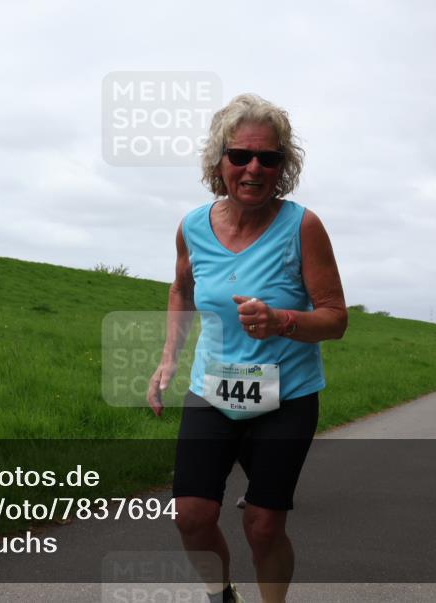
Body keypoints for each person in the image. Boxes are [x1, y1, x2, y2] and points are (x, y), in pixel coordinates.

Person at [148, 94, 347, 603]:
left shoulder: (303, 226)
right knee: (191, 516)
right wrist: (169, 357)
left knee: (262, 525)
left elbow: (335, 318)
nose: (254, 168)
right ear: (219, 161)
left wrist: (282, 321)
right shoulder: (193, 227)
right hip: (212, 390)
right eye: (240, 155)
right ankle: (222, 594)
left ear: (284, 166)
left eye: (269, 158)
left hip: (287, 397)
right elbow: (181, 290)